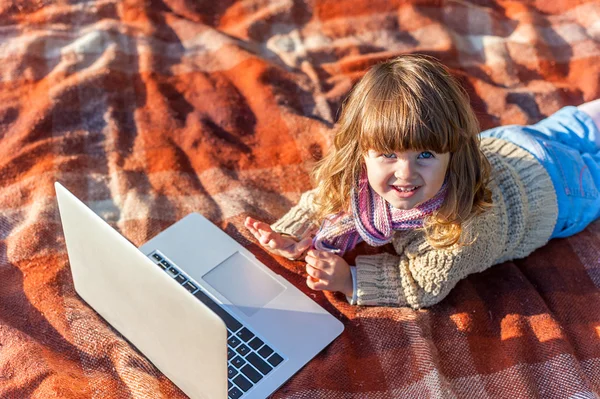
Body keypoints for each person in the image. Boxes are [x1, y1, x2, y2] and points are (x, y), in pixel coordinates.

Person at [244, 54, 600, 309]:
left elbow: (420, 284)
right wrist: (294, 233)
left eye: (425, 155)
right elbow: (325, 197)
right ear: (361, 151)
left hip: (564, 191)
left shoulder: (459, 228)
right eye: (388, 154)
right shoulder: (358, 174)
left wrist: (348, 280)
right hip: (518, 142)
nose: (405, 173)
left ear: (454, 152)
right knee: (578, 124)